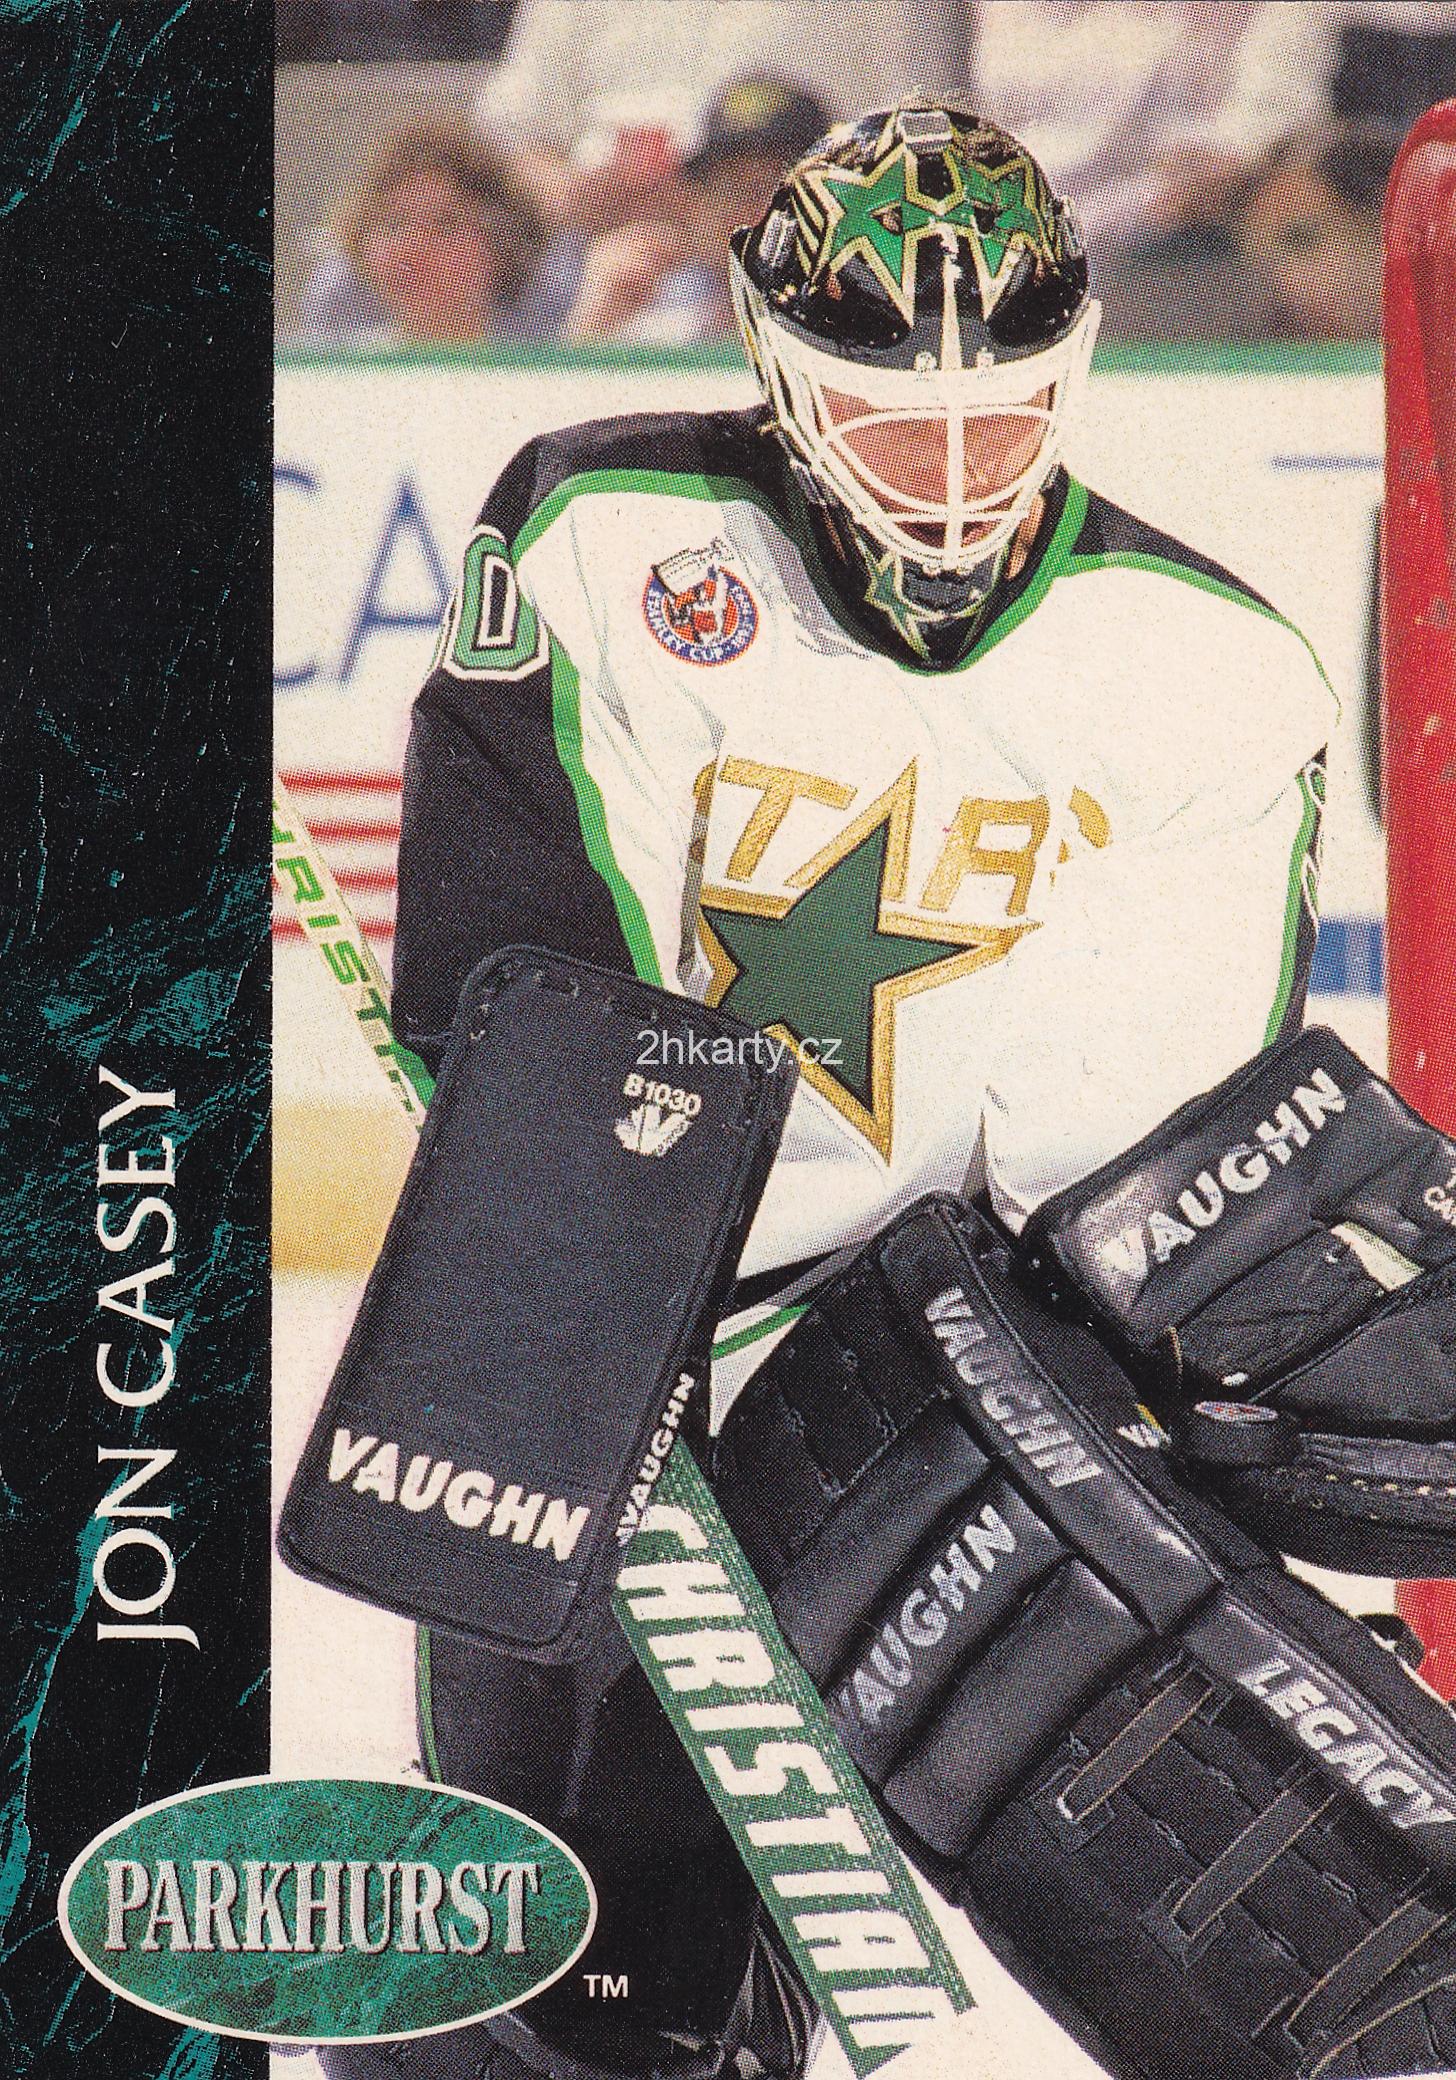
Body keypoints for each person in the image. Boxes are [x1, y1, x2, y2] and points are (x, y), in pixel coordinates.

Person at [324, 107, 1335, 2080]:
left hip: (934, 1347)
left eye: (998, 420)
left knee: (805, 1911)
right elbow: (531, 965)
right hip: (604, 1314)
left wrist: (1115, 1405)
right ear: (778, 371)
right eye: (889, 423)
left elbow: (1167, 1147)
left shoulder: (1215, 666)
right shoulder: (607, 530)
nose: (950, 483)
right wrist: (609, 1340)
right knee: (551, 1948)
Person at [560, 77, 830, 343]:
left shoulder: (850, 327)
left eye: (777, 191)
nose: (755, 215)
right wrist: (597, 323)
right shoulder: (673, 323)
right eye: (728, 189)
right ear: (696, 204)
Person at [294, 120, 544, 347]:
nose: (413, 248)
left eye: (446, 225)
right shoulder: (348, 368)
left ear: (502, 245)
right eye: (393, 225)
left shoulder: (533, 370)